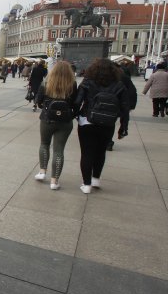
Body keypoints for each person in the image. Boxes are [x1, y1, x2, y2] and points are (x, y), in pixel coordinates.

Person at [75, 58, 127, 194]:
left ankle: (86, 184)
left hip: (87, 121)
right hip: (108, 123)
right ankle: (96, 178)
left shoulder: (87, 82)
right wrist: (123, 126)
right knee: (100, 152)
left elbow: (77, 101)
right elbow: (124, 108)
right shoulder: (119, 85)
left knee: (87, 152)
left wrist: (75, 115)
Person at [33, 61, 78, 190]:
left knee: (44, 144)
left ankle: (42, 172)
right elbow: (76, 103)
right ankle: (54, 181)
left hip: (47, 119)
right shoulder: (72, 84)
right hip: (65, 122)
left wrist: (46, 107)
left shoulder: (46, 83)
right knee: (59, 150)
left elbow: (38, 100)